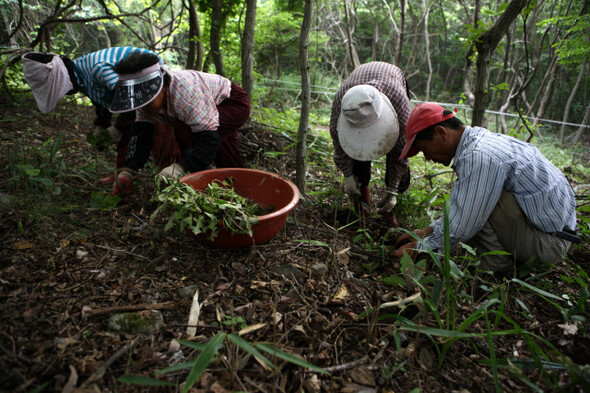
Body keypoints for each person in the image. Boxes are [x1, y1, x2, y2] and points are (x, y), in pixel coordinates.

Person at [392, 102, 578, 274]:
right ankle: (500, 259)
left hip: (547, 243)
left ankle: (497, 266)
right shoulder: (479, 142)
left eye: (424, 149)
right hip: (550, 234)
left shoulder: (479, 156)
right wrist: (427, 232)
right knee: (474, 196)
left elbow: (464, 222)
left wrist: (420, 248)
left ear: (442, 133)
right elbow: (462, 209)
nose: (427, 158)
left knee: (477, 201)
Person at [108, 51, 250, 196]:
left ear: (162, 85)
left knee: (187, 134)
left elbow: (208, 140)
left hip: (232, 103)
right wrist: (128, 170)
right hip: (210, 105)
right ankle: (243, 186)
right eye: (141, 100)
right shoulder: (145, 105)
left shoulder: (184, 94)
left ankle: (199, 185)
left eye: (149, 98)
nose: (144, 105)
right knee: (226, 155)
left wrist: (182, 167)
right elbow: (141, 135)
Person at [21, 47, 164, 169]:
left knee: (155, 136)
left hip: (153, 84)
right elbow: (101, 99)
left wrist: (119, 127)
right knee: (125, 140)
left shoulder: (97, 69)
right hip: (133, 93)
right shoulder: (81, 75)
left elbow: (131, 98)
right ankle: (123, 174)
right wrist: (102, 124)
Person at [329, 62, 411, 225]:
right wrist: (349, 177)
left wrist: (392, 190)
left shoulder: (400, 105)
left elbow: (402, 152)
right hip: (359, 81)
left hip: (392, 78)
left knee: (398, 154)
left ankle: (389, 213)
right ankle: (362, 211)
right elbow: (340, 146)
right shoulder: (343, 102)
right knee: (358, 158)